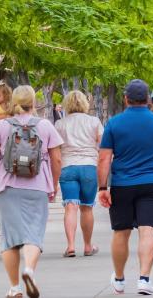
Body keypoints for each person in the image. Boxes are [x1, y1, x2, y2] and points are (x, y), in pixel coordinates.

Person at [0, 85, 63, 298]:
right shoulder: (46, 126)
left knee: (9, 240)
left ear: (12, 102)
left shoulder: (1, 126)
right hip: (37, 187)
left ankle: (14, 288)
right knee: (33, 235)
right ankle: (29, 270)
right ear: (33, 102)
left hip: (5, 188)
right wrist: (53, 184)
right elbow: (57, 159)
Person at [98, 79, 153, 296]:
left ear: (126, 99)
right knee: (148, 230)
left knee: (121, 232)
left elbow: (104, 158)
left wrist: (103, 187)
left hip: (122, 183)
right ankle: (144, 279)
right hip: (152, 182)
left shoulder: (114, 123)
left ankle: (119, 278)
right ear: (147, 100)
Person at [55, 90, 104, 258]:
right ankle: (88, 246)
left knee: (70, 207)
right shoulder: (94, 121)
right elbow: (102, 144)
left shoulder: (60, 124)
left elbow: (56, 149)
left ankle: (70, 246)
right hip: (89, 166)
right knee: (86, 208)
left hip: (67, 167)